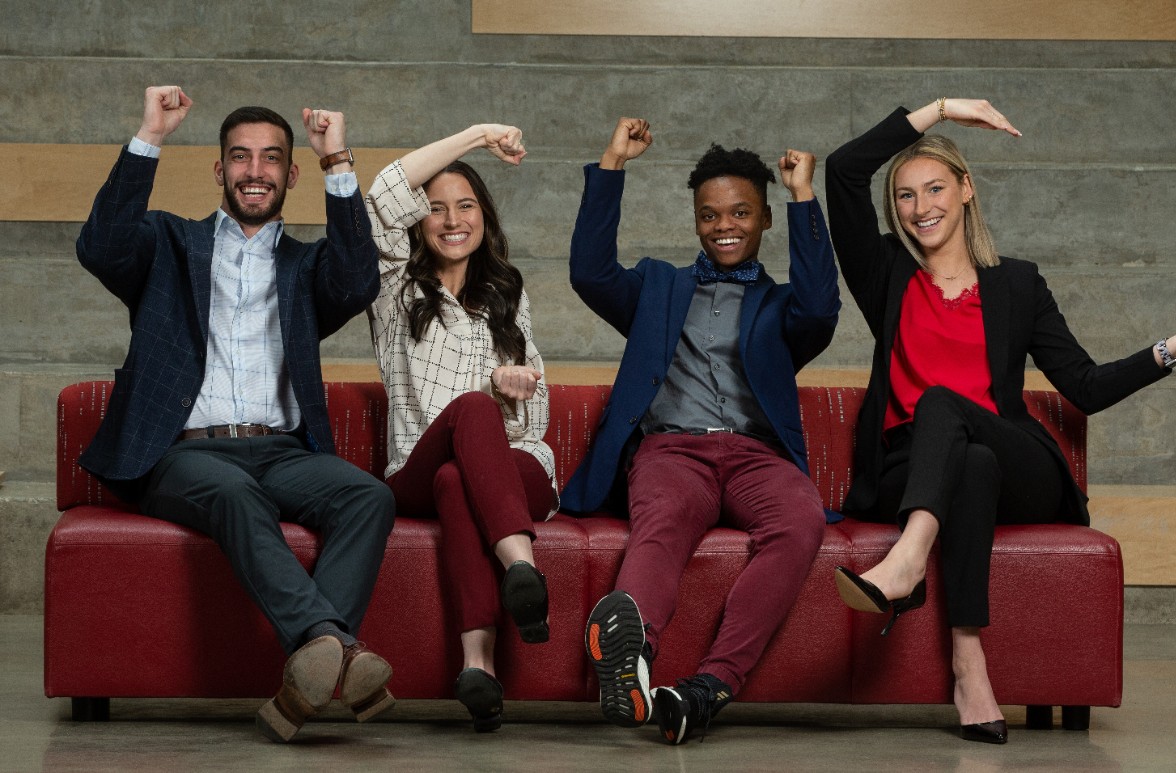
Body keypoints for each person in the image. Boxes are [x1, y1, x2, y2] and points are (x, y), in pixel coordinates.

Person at [824, 97, 1176, 745]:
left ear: (967, 189)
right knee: (960, 458)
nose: (922, 208)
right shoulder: (886, 273)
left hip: (1016, 467)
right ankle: (969, 662)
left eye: (937, 188)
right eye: (907, 196)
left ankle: (906, 561)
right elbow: (840, 170)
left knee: (952, 414)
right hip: (910, 468)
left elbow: (1083, 387)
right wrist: (940, 109)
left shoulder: (1017, 285)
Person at [76, 86, 398, 743]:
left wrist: (339, 160)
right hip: (182, 452)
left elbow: (360, 279)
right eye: (242, 158)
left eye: (272, 158)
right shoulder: (169, 243)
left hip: (280, 451)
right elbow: (101, 246)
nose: (256, 170)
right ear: (219, 169)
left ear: (291, 173)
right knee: (232, 490)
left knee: (367, 497)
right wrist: (150, 135)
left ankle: (313, 667)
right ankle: (330, 639)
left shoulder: (306, 267)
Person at [562, 117, 841, 744]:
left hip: (756, 456)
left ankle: (711, 685)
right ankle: (629, 654)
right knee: (661, 525)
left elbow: (824, 305)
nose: (725, 227)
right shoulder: (657, 287)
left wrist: (803, 197)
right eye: (710, 215)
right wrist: (612, 162)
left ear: (764, 218)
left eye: (740, 213)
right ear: (695, 220)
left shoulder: (783, 308)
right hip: (671, 450)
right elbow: (588, 272)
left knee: (800, 522)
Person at [364, 124, 558, 732]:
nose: (452, 220)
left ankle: (479, 666)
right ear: (419, 224)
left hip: (510, 468)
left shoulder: (507, 293)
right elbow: (382, 192)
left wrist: (518, 389)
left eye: (466, 206)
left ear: (485, 217)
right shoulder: (395, 287)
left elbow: (539, 413)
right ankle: (520, 568)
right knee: (465, 428)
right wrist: (476, 136)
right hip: (411, 469)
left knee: (459, 481)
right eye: (437, 209)